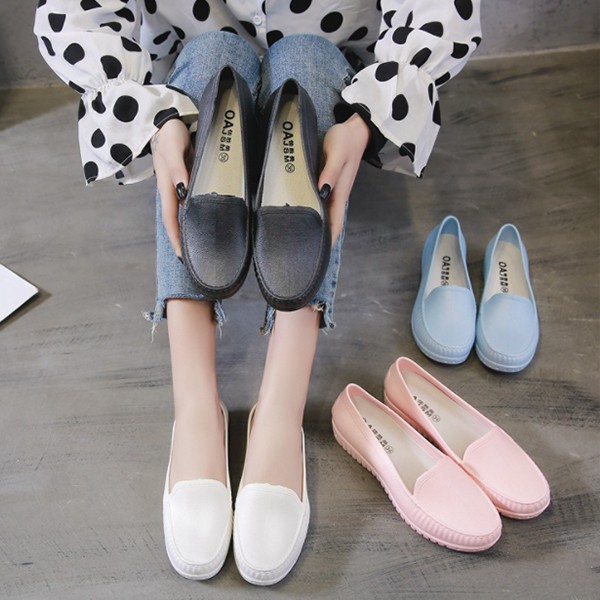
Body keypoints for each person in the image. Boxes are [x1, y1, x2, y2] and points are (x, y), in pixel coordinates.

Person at [34, 0, 482, 585]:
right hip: (197, 104)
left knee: (308, 58)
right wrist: (155, 121)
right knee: (209, 56)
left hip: (330, 105)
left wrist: (366, 120)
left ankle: (280, 409)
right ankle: (196, 406)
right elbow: (73, 13)